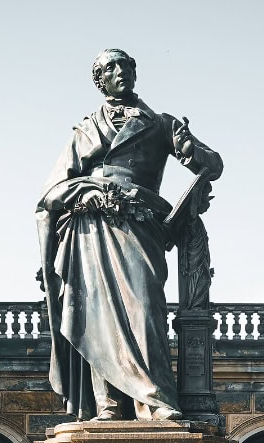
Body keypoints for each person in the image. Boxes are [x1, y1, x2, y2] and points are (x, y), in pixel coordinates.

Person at [37, 48, 223, 421]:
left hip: (140, 224)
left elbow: (214, 165)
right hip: (89, 227)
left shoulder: (159, 123)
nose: (120, 71)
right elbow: (52, 191)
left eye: (125, 65)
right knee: (93, 312)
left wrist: (192, 151)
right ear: (99, 80)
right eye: (110, 67)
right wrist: (85, 190)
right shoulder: (85, 130)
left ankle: (153, 401)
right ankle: (106, 405)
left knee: (144, 307)